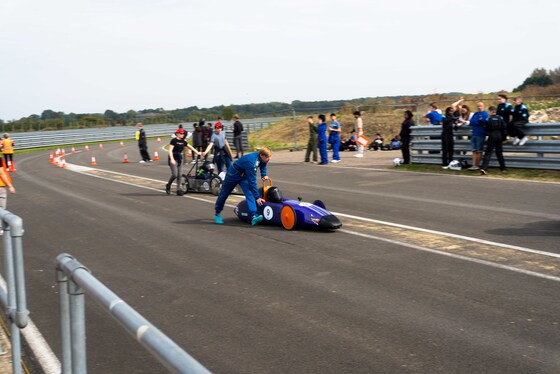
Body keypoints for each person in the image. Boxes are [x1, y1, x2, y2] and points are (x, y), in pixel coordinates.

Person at [214, 146, 272, 226]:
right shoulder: (251, 162)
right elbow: (252, 182)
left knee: (249, 193)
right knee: (224, 194)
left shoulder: (261, 158)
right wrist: (257, 197)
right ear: (261, 155)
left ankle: (253, 215)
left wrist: (263, 175)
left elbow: (263, 164)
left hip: (244, 175)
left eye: (269, 157)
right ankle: (217, 213)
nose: (269, 159)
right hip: (233, 174)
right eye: (267, 157)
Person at [166, 129, 200, 195]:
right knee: (175, 174)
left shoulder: (183, 141)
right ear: (177, 134)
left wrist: (197, 152)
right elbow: (170, 150)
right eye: (181, 133)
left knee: (179, 175)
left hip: (179, 159)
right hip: (173, 158)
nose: (182, 134)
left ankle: (178, 190)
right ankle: (168, 185)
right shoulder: (173, 141)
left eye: (183, 133)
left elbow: (190, 147)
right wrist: (172, 159)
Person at [480, 106, 506, 175]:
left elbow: (485, 128)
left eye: (489, 111)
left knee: (488, 153)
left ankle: (484, 168)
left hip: (492, 135)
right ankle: (503, 168)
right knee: (499, 152)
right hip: (499, 136)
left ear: (490, 111)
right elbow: (504, 127)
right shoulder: (500, 118)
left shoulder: (488, 118)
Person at [468, 101, 488, 170]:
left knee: (479, 150)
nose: (479, 107)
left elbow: (484, 122)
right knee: (474, 150)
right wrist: (478, 122)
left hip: (481, 134)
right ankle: (473, 165)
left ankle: (477, 165)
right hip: (474, 133)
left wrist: (478, 122)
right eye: (478, 106)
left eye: (480, 106)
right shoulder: (475, 114)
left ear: (483, 106)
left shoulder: (485, 114)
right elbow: (471, 122)